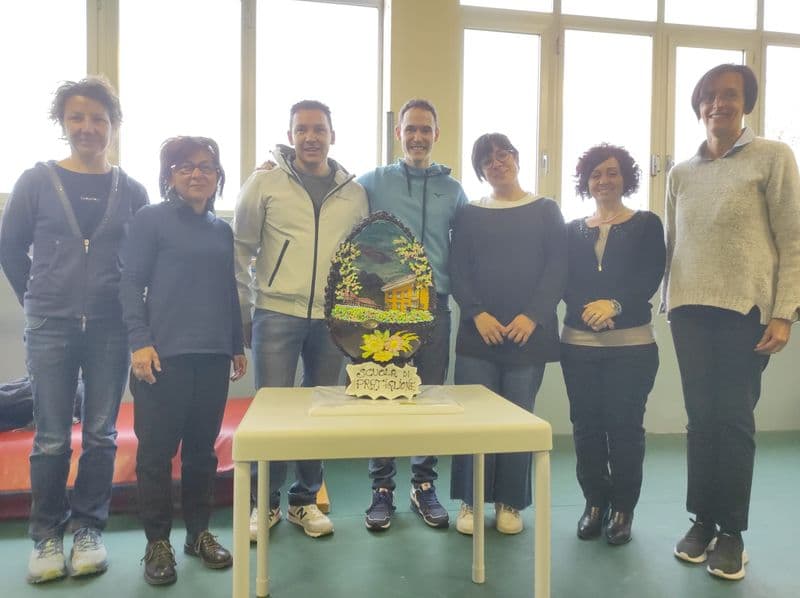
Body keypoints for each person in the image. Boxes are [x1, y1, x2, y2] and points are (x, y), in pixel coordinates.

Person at [0, 76, 148, 584]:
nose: (88, 128)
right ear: (63, 123)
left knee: (103, 434)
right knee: (50, 438)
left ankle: (89, 529)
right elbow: (10, 247)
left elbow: (140, 262)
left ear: (114, 125)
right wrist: (38, 299)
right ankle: (45, 536)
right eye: (78, 118)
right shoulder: (36, 181)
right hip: (51, 328)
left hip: (110, 329)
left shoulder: (131, 190)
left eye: (99, 119)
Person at [665, 63, 800, 580]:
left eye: (729, 95)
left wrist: (784, 313)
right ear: (699, 106)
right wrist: (668, 302)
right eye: (709, 96)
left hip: (746, 312)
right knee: (700, 422)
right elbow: (675, 244)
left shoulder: (772, 157)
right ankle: (701, 521)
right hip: (689, 311)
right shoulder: (681, 173)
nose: (718, 104)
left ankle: (732, 534)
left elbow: (791, 239)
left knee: (734, 421)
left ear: (746, 104)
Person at [234, 100, 368, 539]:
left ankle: (305, 501)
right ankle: (264, 505)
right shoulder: (265, 181)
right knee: (271, 412)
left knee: (320, 411)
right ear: (290, 136)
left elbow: (359, 259)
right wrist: (244, 312)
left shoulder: (353, 192)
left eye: (319, 129)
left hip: (331, 321)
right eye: (302, 129)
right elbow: (241, 248)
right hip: (276, 312)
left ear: (333, 134)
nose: (311, 137)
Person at [120, 136, 246, 585]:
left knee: (201, 453)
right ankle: (158, 542)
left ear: (218, 175)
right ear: (169, 175)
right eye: (185, 166)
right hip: (162, 358)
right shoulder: (150, 220)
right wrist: (139, 341)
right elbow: (131, 283)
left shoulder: (220, 228)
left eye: (207, 166)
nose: (197, 174)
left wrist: (236, 342)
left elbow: (227, 288)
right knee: (155, 455)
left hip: (211, 357)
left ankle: (199, 533)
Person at [357, 98, 468, 531]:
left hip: (434, 305)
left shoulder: (453, 189)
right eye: (410, 130)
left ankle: (424, 486)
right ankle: (381, 490)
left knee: (430, 394)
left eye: (426, 129)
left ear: (437, 134)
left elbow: (467, 246)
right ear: (398, 134)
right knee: (383, 394)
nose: (418, 137)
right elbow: (333, 194)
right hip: (383, 308)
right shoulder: (373, 182)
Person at [449, 133, 566, 535]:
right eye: (487, 160)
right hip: (476, 336)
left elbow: (557, 268)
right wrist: (477, 314)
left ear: (517, 158)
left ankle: (510, 502)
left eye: (503, 156)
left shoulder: (547, 209)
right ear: (480, 170)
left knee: (518, 417)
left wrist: (532, 316)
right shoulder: (469, 213)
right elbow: (457, 269)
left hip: (526, 336)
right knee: (474, 419)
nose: (497, 164)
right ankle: (469, 499)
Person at [561, 144, 665, 546]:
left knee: (624, 429)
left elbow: (650, 274)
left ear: (626, 177)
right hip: (578, 345)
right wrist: (589, 309)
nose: (604, 180)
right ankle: (594, 504)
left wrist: (615, 306)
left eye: (612, 172)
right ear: (586, 182)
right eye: (596, 174)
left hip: (632, 347)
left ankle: (623, 508)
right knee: (585, 428)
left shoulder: (647, 224)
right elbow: (564, 278)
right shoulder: (572, 229)